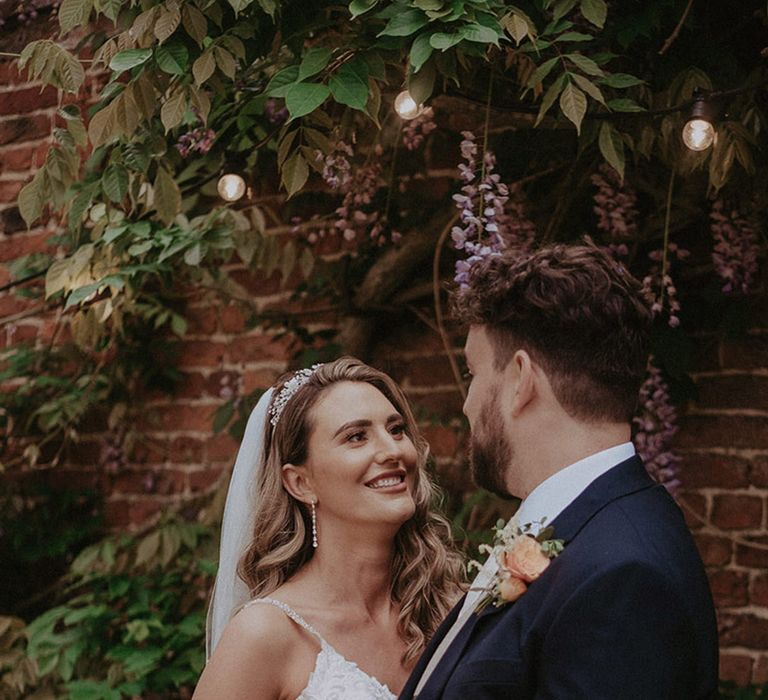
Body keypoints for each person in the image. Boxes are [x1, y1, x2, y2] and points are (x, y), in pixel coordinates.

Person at [401, 243, 719, 699]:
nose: (466, 403)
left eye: (473, 374)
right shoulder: (584, 528)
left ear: (520, 379)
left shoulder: (622, 578)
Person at [193, 357, 464, 700]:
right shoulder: (265, 635)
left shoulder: (456, 608)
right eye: (356, 437)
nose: (393, 450)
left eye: (396, 430)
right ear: (300, 482)